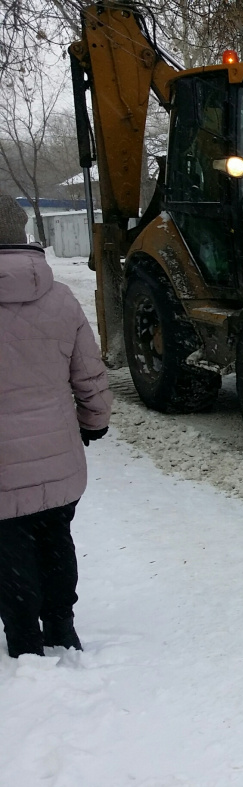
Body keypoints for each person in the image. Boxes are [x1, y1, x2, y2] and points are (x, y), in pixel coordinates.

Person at [0, 195, 112, 658]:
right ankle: (63, 628)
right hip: (58, 457)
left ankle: (25, 642)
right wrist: (95, 422)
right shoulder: (59, 296)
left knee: (10, 554)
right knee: (55, 539)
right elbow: (89, 373)